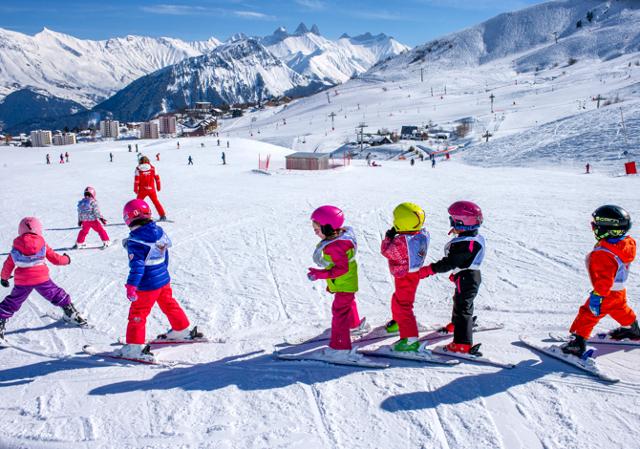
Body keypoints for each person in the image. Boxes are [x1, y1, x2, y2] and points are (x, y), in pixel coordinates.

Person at [119, 199, 201, 360]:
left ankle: (135, 346)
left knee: (138, 312)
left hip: (147, 285)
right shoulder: (159, 232)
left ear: (128, 219)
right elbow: (165, 254)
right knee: (168, 303)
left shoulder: (136, 242)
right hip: (163, 280)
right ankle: (181, 329)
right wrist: (163, 271)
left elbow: (137, 267)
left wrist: (131, 286)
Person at [562, 205, 639, 356]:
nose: (594, 228)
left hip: (606, 292)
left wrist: (597, 296)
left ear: (606, 228)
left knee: (588, 314)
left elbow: (605, 279)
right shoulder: (626, 243)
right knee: (620, 309)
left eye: (596, 225)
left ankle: (577, 344)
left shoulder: (603, 254)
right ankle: (634, 330)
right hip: (619, 290)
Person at [0, 217, 86, 340]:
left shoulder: (16, 246)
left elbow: (8, 264)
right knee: (57, 294)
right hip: (41, 279)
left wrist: (4, 278)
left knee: (12, 302)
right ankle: (70, 313)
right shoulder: (42, 243)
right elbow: (55, 259)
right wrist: (66, 259)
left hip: (22, 281)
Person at [420, 201, 485, 355]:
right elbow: (461, 261)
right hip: (466, 275)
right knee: (459, 301)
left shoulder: (466, 243)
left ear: (462, 223)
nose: (451, 224)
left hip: (467, 277)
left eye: (453, 221)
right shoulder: (471, 238)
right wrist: (457, 273)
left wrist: (429, 270)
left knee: (463, 307)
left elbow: (450, 262)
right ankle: (457, 324)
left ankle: (462, 344)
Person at [307, 205, 366, 360]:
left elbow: (341, 269)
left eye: (317, 228)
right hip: (346, 281)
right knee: (347, 304)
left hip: (344, 281)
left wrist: (320, 274)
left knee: (339, 312)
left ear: (327, 228)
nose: (314, 231)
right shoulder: (341, 235)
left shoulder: (335, 247)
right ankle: (354, 325)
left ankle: (340, 348)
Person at [381, 203, 430, 351]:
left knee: (403, 306)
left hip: (405, 277)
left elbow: (386, 251)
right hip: (411, 274)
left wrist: (388, 237)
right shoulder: (421, 234)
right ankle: (398, 322)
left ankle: (410, 340)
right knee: (398, 300)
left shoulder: (401, 242)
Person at [134, 156, 166, 221]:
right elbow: (157, 178)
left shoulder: (138, 169)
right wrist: (158, 187)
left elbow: (136, 181)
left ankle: (137, 217)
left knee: (138, 203)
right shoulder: (152, 168)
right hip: (151, 190)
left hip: (142, 190)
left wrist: (135, 189)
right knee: (156, 202)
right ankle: (162, 215)